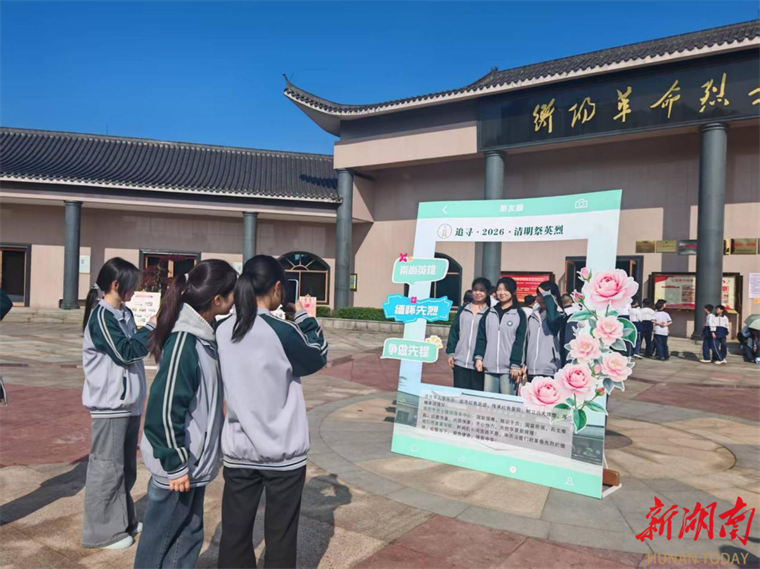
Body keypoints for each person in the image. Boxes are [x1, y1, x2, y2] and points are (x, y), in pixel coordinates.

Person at [216, 255, 328, 569]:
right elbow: (317, 354)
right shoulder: (281, 331)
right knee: (281, 534)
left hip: (239, 448)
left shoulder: (223, 330)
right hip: (282, 450)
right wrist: (302, 315)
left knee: (235, 532)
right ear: (278, 288)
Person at [134, 260, 237, 569]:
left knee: (188, 534)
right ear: (217, 299)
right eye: (233, 292)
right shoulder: (185, 342)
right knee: (159, 540)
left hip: (193, 464)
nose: (237, 298)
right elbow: (164, 409)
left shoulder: (204, 337)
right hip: (179, 466)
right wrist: (176, 463)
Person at [81, 258, 154, 550]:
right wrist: (151, 326)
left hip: (128, 404)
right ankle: (101, 533)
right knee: (106, 469)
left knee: (124, 469)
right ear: (115, 284)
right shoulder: (102, 317)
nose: (135, 291)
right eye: (132, 286)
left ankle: (123, 521)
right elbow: (125, 352)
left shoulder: (124, 313)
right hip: (110, 406)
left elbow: (135, 349)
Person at [473, 277, 526, 395]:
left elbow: (520, 341)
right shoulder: (489, 313)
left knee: (507, 403)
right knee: (489, 402)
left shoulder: (519, 314)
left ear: (513, 292)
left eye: (505, 290)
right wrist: (479, 357)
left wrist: (516, 364)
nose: (501, 293)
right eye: (499, 289)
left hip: (509, 370)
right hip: (489, 367)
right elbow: (482, 337)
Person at [446, 277, 491, 391]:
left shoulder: (490, 313)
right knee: (459, 394)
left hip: (479, 363)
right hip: (460, 361)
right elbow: (454, 331)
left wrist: (482, 357)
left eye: (481, 290)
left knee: (475, 396)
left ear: (487, 292)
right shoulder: (463, 310)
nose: (477, 293)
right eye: (475, 289)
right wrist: (451, 352)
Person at [524, 281, 565, 381]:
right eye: (539, 295)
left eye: (545, 295)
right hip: (531, 369)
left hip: (550, 369)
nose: (541, 298)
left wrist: (548, 298)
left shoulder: (560, 315)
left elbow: (553, 321)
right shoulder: (532, 317)